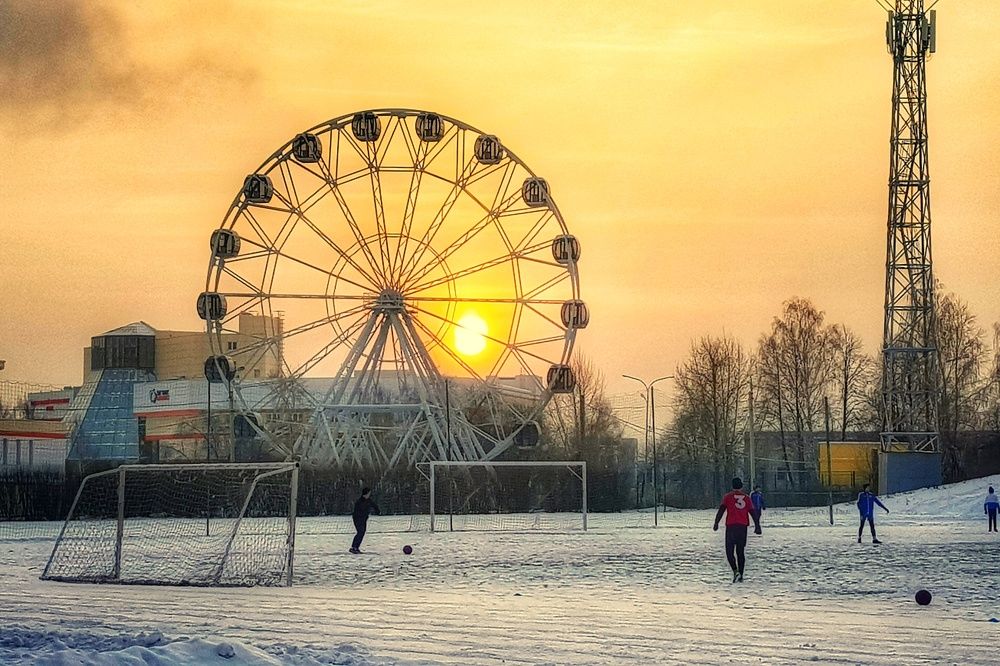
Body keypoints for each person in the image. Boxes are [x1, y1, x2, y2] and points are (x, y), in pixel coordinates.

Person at [713, 477, 762, 583]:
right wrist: (757, 526)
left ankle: (735, 571)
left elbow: (721, 510)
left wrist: (716, 523)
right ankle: (741, 574)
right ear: (741, 486)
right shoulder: (746, 498)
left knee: (729, 551)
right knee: (740, 552)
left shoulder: (728, 497)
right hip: (742, 526)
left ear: (732, 486)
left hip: (731, 527)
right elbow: (752, 512)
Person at [350, 487, 380, 554]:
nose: (370, 494)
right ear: (366, 493)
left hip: (364, 519)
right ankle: (354, 547)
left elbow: (374, 505)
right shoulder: (359, 502)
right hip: (357, 518)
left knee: (362, 532)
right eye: (369, 493)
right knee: (360, 532)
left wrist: (377, 511)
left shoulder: (369, 500)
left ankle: (356, 547)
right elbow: (359, 510)